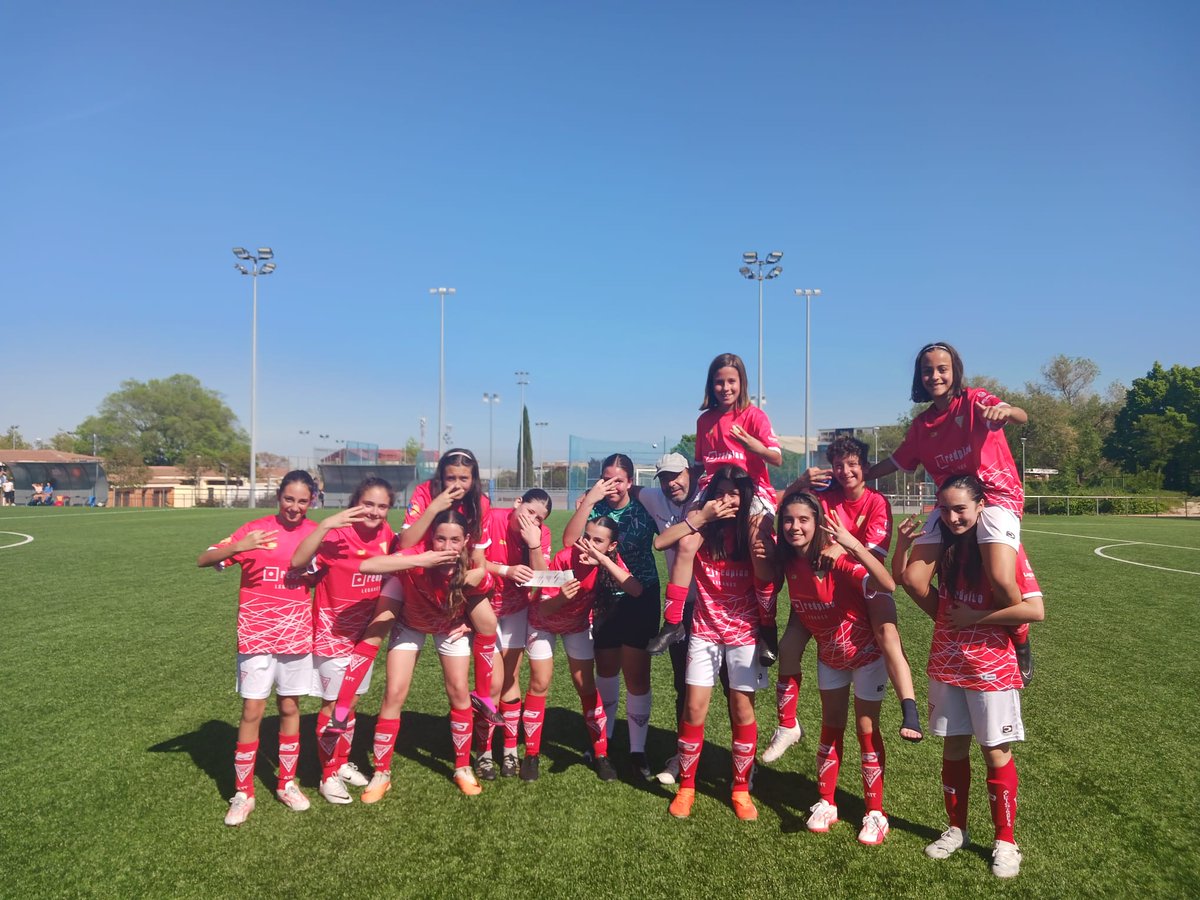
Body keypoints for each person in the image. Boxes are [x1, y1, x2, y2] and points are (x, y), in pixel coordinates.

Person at [893, 474, 1044, 878]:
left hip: (991, 666)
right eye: (944, 508)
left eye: (960, 508)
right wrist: (944, 618)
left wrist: (976, 617)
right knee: (954, 749)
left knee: (995, 751)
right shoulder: (944, 543)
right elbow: (914, 584)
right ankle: (956, 829)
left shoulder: (1002, 546)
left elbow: (1034, 610)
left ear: (981, 507)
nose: (953, 516)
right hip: (947, 661)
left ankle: (1005, 842)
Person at [865, 341, 1034, 684]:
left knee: (1001, 580)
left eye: (942, 368)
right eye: (927, 370)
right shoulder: (922, 426)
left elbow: (1020, 415)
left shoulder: (974, 401)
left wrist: (1006, 411)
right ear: (919, 376)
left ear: (955, 370)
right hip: (950, 505)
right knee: (913, 580)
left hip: (995, 497)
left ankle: (1019, 639)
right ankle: (953, 622)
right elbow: (896, 462)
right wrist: (857, 473)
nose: (934, 375)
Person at [764, 435, 923, 765]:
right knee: (790, 646)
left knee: (887, 633)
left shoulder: (877, 503)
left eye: (852, 464)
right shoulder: (823, 495)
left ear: (865, 467)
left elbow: (875, 556)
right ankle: (787, 724)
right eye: (838, 465)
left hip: (860, 576)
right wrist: (798, 483)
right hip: (820, 583)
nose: (845, 471)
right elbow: (782, 508)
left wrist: (844, 547)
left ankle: (909, 708)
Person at [323, 449, 502, 734]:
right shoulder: (424, 492)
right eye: (450, 477)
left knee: (488, 622)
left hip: (454, 572)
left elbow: (478, 556)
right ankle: (342, 705)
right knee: (378, 626)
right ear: (440, 477)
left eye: (464, 478)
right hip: (411, 567)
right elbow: (404, 543)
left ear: (474, 478)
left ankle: (481, 694)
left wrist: (476, 575)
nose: (456, 484)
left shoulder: (481, 503)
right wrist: (434, 507)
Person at [773, 492, 902, 845]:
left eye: (803, 520)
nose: (794, 526)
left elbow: (887, 585)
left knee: (865, 729)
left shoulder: (835, 558)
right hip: (830, 656)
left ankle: (876, 813)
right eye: (788, 520)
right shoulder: (788, 559)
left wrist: (852, 546)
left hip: (865, 657)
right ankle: (827, 803)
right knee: (830, 728)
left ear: (818, 525)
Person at [196, 470, 319, 826]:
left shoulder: (316, 534)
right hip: (256, 634)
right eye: (288, 499)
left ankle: (286, 783)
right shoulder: (255, 529)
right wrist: (239, 547)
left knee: (290, 706)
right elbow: (203, 560)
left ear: (311, 502)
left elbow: (324, 573)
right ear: (278, 497)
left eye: (302, 501)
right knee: (252, 710)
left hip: (296, 634)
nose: (294, 507)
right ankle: (243, 793)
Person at [655, 465, 774, 821]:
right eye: (720, 492)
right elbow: (662, 543)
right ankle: (687, 785)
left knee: (742, 710)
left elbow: (769, 578)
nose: (726, 499)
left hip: (745, 633)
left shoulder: (754, 524)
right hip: (704, 630)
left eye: (733, 493)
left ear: (745, 496)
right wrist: (702, 517)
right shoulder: (700, 521)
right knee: (694, 708)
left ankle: (740, 788)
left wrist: (758, 539)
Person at [648, 352, 782, 657]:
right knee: (686, 543)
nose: (725, 387)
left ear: (741, 383)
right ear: (711, 385)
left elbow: (776, 458)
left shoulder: (754, 416)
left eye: (731, 381)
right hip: (713, 489)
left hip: (749, 489)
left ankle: (767, 628)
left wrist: (753, 445)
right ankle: (672, 624)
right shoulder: (704, 420)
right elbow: (701, 467)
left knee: (757, 546)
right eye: (719, 382)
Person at [356, 510, 496, 798]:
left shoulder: (471, 568)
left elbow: (486, 605)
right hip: (411, 624)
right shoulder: (417, 556)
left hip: (449, 627)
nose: (447, 547)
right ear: (431, 538)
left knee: (458, 690)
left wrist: (469, 624)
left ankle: (462, 767)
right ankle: (381, 772)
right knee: (394, 692)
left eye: (455, 540)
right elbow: (367, 566)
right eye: (440, 539)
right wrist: (420, 560)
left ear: (466, 540)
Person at [290, 476, 396, 804]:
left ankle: (341, 761)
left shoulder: (387, 536)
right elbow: (297, 563)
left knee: (351, 703)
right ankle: (327, 775)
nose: (375, 512)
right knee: (334, 703)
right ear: (355, 502)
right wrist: (324, 526)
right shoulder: (336, 534)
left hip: (365, 634)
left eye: (382, 506)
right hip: (332, 631)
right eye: (368, 504)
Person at [562, 452, 661, 777]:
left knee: (636, 675)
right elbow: (568, 541)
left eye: (619, 479)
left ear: (630, 481)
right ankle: (603, 742)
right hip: (604, 599)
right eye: (606, 478)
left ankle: (637, 751)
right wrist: (589, 499)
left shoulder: (644, 507)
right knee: (605, 670)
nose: (612, 485)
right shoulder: (597, 509)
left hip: (640, 597)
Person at [521, 516, 642, 782]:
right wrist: (563, 597)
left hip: (575, 625)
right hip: (543, 622)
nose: (588, 544)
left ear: (612, 546)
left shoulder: (604, 560)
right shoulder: (566, 557)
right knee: (540, 681)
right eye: (587, 537)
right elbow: (542, 606)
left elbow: (634, 589)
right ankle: (531, 754)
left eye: (598, 541)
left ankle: (601, 754)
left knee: (585, 684)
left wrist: (605, 562)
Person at [630, 453, 703, 784]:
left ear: (689, 472)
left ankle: (743, 762)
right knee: (683, 684)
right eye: (663, 478)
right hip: (682, 606)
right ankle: (681, 754)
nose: (670, 483)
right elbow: (630, 491)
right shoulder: (653, 496)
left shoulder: (707, 494)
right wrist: (593, 499)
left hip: (719, 604)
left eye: (676, 475)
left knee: (732, 687)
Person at [476, 488, 553, 780]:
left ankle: (509, 750)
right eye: (530, 512)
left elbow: (543, 579)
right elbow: (473, 562)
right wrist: (505, 570)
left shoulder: (539, 534)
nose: (533, 520)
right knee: (492, 684)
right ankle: (483, 753)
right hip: (483, 610)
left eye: (540, 518)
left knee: (510, 680)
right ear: (517, 503)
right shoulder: (491, 519)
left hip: (516, 610)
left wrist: (534, 546)